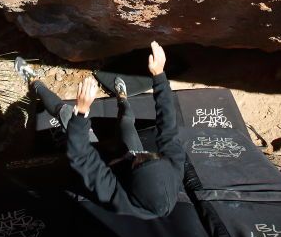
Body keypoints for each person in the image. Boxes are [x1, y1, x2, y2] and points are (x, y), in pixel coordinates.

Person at [15, 41, 184, 219]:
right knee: (127, 120)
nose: (136, 154)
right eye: (146, 154)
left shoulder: (112, 195)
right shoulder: (173, 168)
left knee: (65, 113)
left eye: (138, 161)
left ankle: (34, 82)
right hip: (126, 164)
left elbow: (81, 155)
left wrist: (81, 113)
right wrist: (159, 76)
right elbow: (168, 126)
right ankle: (122, 97)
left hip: (106, 165)